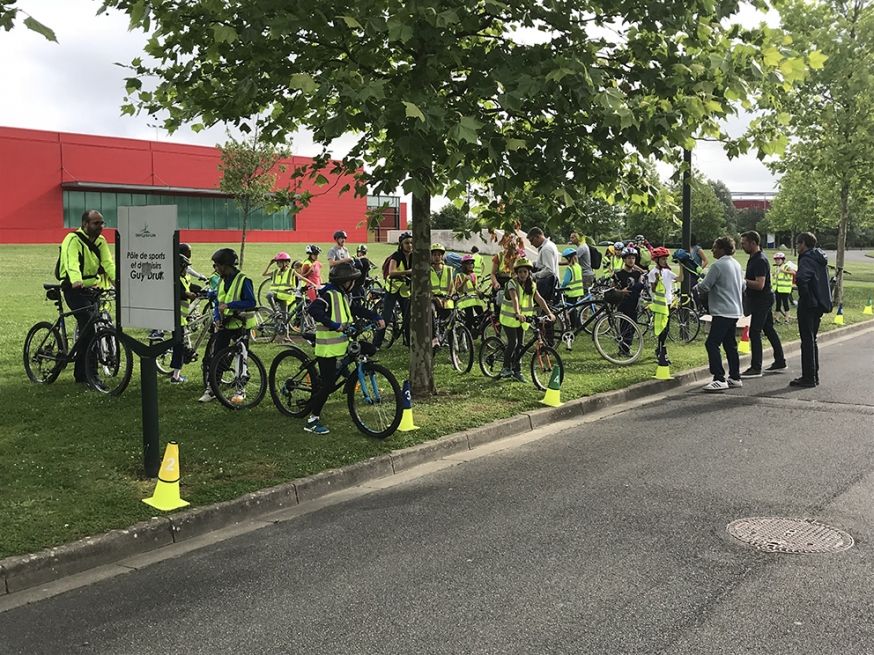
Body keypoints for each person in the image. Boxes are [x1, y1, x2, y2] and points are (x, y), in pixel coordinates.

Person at [304, 262, 384, 435]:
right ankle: (312, 420)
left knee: (368, 349)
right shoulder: (329, 294)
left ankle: (354, 380)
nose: (354, 284)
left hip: (340, 345)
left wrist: (375, 316)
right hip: (327, 349)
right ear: (344, 281)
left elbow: (355, 309)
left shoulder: (343, 294)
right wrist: (334, 325)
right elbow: (314, 310)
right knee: (328, 385)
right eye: (352, 281)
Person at [58, 209, 116, 385]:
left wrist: (117, 282)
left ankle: (81, 374)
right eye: (96, 223)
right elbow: (71, 262)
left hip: (92, 288)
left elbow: (108, 263)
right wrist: (76, 280)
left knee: (89, 328)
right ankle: (92, 375)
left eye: (102, 223)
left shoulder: (100, 241)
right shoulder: (72, 239)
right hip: (74, 289)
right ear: (85, 224)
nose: (100, 226)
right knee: (89, 328)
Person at [197, 248, 257, 403]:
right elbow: (218, 302)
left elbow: (251, 302)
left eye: (217, 265)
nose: (215, 269)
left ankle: (240, 389)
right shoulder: (222, 281)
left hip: (241, 325)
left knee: (240, 357)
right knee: (216, 355)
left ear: (225, 265)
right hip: (225, 325)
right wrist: (217, 318)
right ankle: (212, 388)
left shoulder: (244, 280)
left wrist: (231, 305)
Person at [695, 236, 745, 392]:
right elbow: (743, 286)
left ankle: (719, 377)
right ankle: (735, 377)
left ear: (722, 249)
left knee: (712, 343)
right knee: (730, 344)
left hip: (722, 310)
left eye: (715, 247)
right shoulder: (736, 264)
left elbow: (704, 287)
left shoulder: (717, 266)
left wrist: (697, 284)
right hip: (735, 310)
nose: (712, 250)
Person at [498, 258, 555, 382]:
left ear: (529, 272)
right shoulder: (512, 283)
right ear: (516, 273)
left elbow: (539, 299)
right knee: (513, 342)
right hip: (509, 318)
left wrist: (549, 313)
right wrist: (517, 313)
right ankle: (505, 368)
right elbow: (515, 299)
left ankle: (517, 370)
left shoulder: (532, 285)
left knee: (521, 345)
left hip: (522, 320)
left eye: (525, 272)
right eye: (520, 272)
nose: (522, 274)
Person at [740, 231, 786, 378]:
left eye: (744, 243)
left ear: (753, 243)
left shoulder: (760, 260)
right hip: (761, 299)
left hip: (762, 299)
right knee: (769, 329)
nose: (742, 246)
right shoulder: (753, 258)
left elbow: (760, 284)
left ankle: (756, 367)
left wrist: (742, 280)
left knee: (755, 331)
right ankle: (780, 360)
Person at [792, 232, 832, 387]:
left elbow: (802, 279)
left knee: (807, 341)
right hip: (819, 303)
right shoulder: (819, 257)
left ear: (803, 244)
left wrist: (806, 299)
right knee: (812, 339)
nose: (797, 247)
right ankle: (813, 375)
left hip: (809, 304)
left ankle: (808, 377)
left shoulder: (807, 258)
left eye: (797, 243)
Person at [373, 231, 412, 348]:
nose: (409, 245)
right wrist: (407, 272)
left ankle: (409, 342)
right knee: (385, 317)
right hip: (392, 291)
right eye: (406, 243)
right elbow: (391, 272)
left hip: (405, 291)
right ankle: (376, 344)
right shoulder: (396, 256)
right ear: (401, 244)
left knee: (408, 318)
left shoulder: (414, 256)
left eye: (411, 243)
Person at [169, 251, 199, 384]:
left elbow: (189, 286)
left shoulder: (183, 277)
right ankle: (175, 376)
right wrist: (187, 294)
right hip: (177, 318)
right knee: (179, 347)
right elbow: (178, 292)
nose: (187, 269)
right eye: (185, 267)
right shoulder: (174, 279)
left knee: (179, 344)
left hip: (182, 318)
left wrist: (201, 290)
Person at [646, 247, 676, 368]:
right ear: (657, 260)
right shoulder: (653, 273)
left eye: (665, 259)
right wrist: (658, 281)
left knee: (666, 329)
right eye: (662, 259)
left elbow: (679, 278)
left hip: (668, 303)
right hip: (659, 305)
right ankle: (661, 351)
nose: (664, 261)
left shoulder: (667, 272)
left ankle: (660, 350)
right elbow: (653, 289)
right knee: (661, 329)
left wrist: (682, 265)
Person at [613, 246, 646, 353]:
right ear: (624, 259)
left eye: (633, 258)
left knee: (632, 327)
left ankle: (627, 347)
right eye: (628, 258)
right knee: (624, 327)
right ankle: (623, 349)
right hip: (624, 304)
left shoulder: (637, 274)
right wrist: (621, 292)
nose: (631, 260)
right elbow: (612, 290)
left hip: (635, 304)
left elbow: (643, 285)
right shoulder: (618, 274)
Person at [455, 254, 483, 332]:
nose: (470, 265)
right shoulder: (459, 275)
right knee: (469, 319)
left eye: (471, 263)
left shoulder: (474, 275)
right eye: (468, 263)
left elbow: (475, 289)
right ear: (464, 265)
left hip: (475, 300)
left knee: (482, 316)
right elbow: (458, 289)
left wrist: (479, 292)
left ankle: (479, 331)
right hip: (466, 301)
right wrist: (464, 281)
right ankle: (468, 335)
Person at [773, 252, 795, 322]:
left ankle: (787, 318)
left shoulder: (786, 266)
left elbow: (793, 273)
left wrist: (784, 271)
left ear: (782, 260)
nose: (777, 261)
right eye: (776, 260)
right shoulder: (777, 268)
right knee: (778, 304)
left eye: (779, 260)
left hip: (785, 289)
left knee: (785, 304)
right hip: (778, 289)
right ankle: (776, 318)